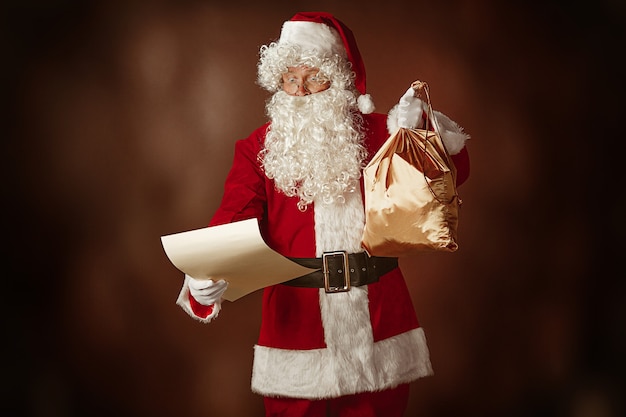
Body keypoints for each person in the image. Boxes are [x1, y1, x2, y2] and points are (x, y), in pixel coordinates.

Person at [176, 11, 470, 417]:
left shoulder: (380, 133)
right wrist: (204, 273)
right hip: (296, 332)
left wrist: (418, 133)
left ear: (339, 81)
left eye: (313, 77)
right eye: (289, 78)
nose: (299, 91)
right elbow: (233, 219)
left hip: (379, 324)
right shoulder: (257, 149)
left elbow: (451, 179)